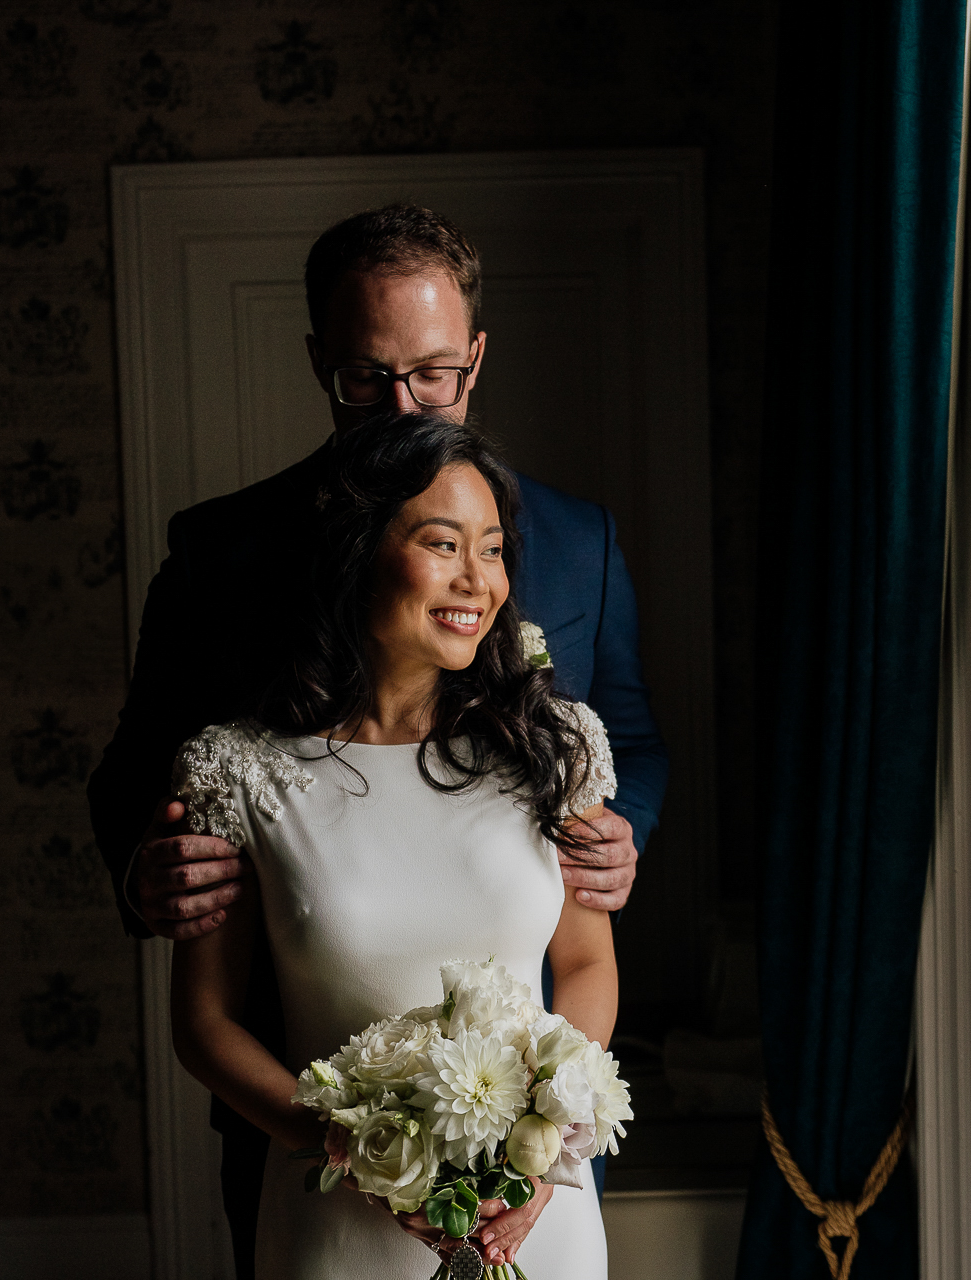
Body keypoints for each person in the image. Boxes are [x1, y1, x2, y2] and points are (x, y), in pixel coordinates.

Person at [85, 204, 668, 1273]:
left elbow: (626, 736)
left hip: (525, 1103)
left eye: (434, 374)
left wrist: (616, 836)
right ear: (322, 361)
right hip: (300, 1087)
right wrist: (151, 864)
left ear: (476, 358)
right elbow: (142, 763)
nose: (400, 405)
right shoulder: (225, 552)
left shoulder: (575, 540)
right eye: (367, 376)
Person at [170, 414, 613, 1278]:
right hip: (335, 1224)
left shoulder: (554, 747)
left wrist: (550, 1152)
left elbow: (589, 966)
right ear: (358, 550)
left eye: (491, 549)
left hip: (533, 1218)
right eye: (442, 544)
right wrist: (342, 1144)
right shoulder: (237, 767)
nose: (477, 579)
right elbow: (205, 1021)